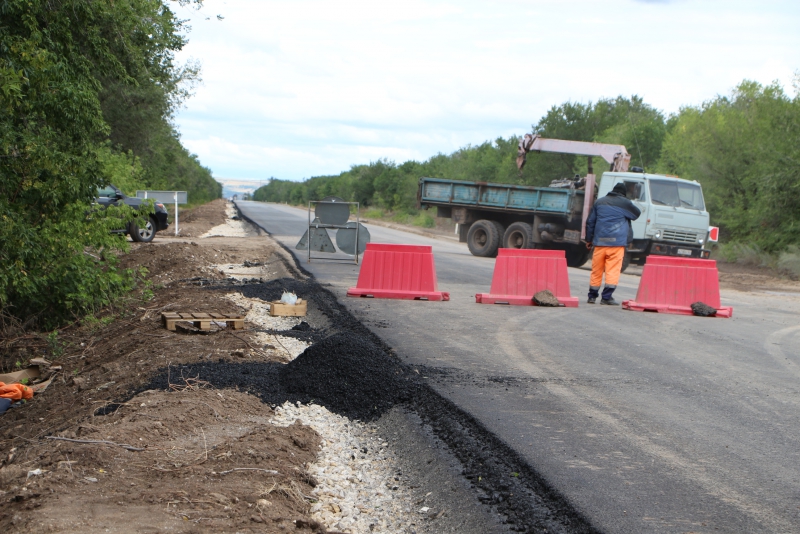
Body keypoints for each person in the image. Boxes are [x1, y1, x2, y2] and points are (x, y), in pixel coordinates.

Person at [585, 182, 641, 305]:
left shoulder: (599, 202)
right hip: (617, 244)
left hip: (600, 243)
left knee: (596, 269)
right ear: (623, 193)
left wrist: (589, 240)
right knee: (612, 270)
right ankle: (606, 298)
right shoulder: (625, 203)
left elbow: (590, 222)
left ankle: (592, 296)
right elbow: (637, 214)